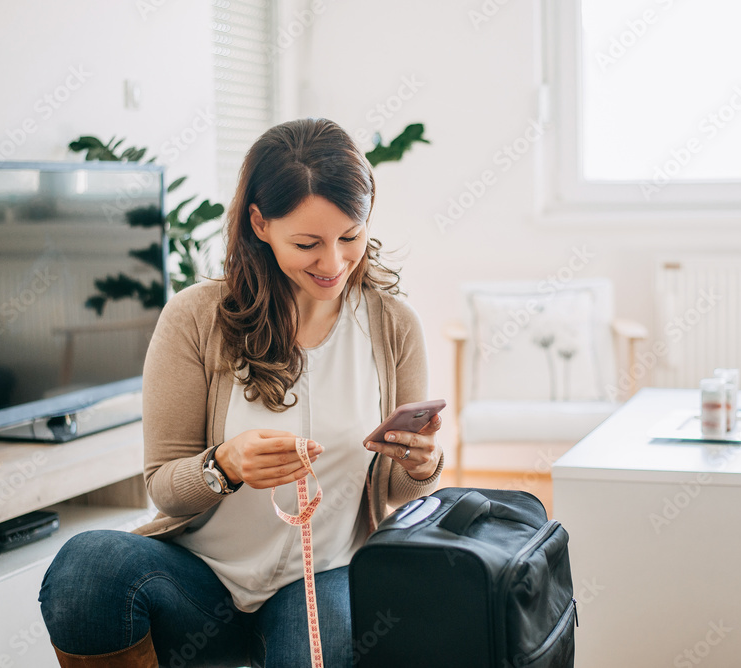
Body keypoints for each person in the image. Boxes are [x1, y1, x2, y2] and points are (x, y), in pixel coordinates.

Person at [39, 118, 445, 668]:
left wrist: (421, 463)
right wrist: (223, 466)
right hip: (200, 584)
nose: (334, 264)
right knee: (86, 569)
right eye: (307, 243)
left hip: (321, 576)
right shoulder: (195, 318)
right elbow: (164, 487)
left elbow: (395, 490)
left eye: (350, 236)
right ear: (260, 223)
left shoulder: (392, 325)